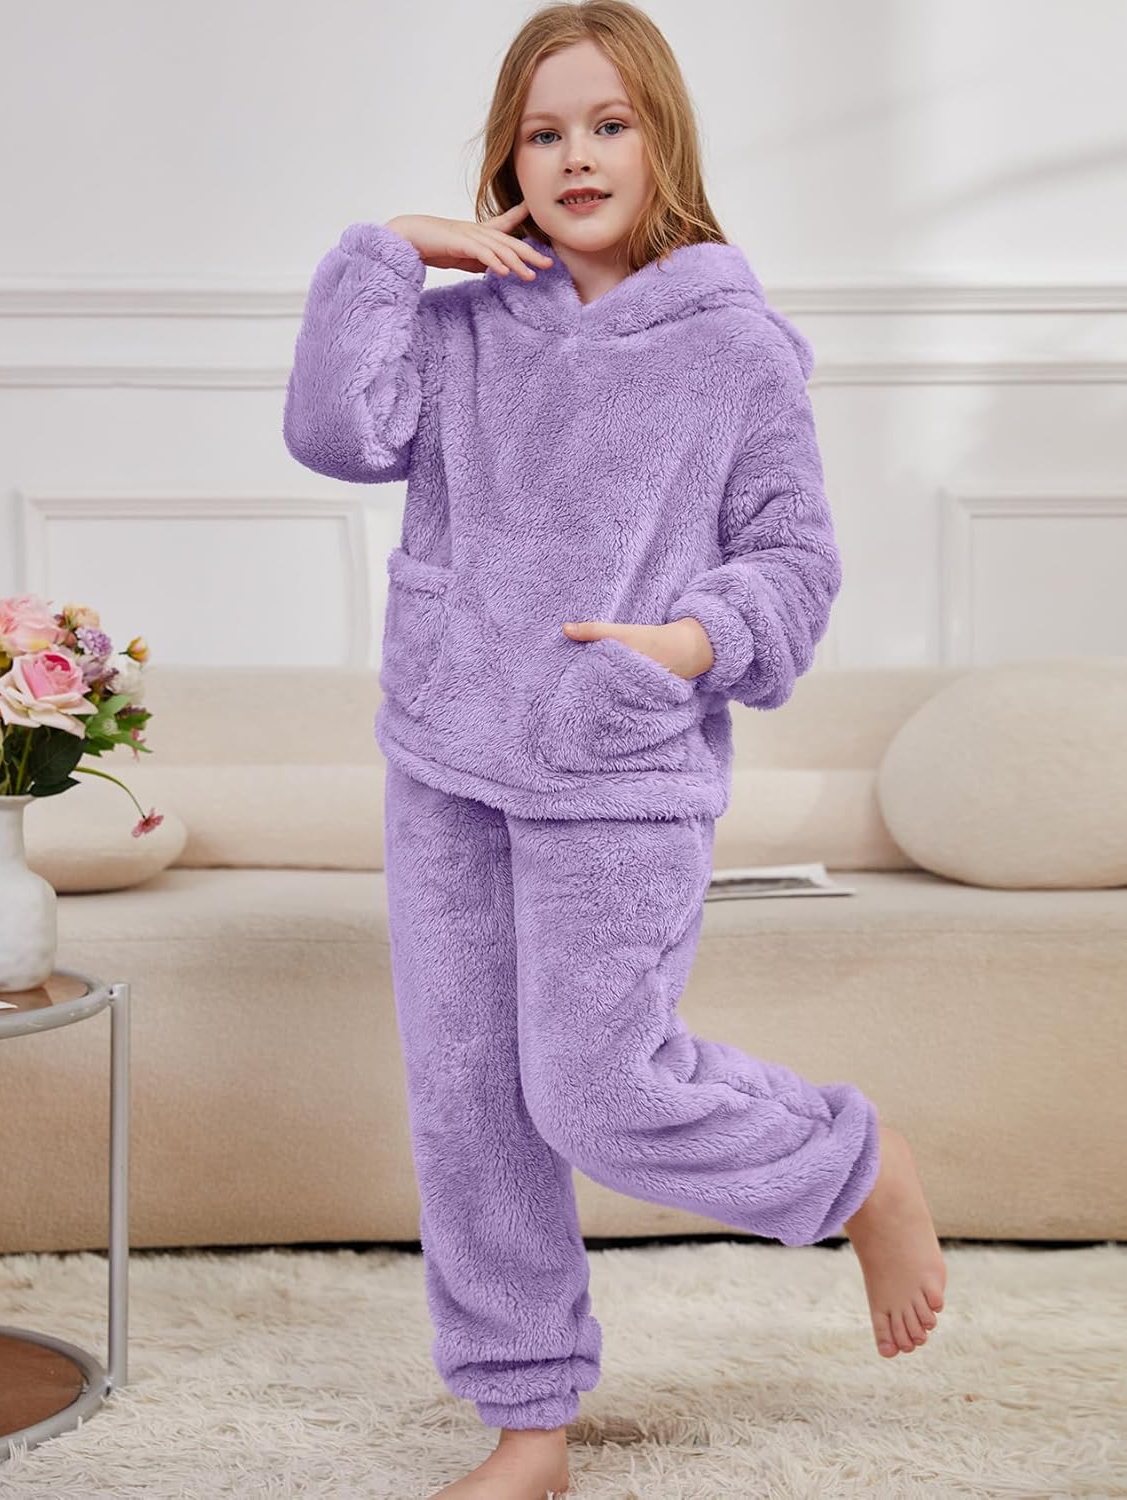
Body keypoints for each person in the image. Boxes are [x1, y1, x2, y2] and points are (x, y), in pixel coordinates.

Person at [283, 3, 947, 1494]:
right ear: (506, 159)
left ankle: (858, 1169)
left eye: (608, 124)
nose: (575, 155)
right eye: (543, 131)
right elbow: (335, 435)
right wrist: (389, 252)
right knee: (469, 1110)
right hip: (447, 756)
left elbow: (794, 563)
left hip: (618, 763)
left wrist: (683, 649)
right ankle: (529, 1426)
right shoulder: (460, 329)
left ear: (662, 141)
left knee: (595, 1089)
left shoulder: (733, 348)